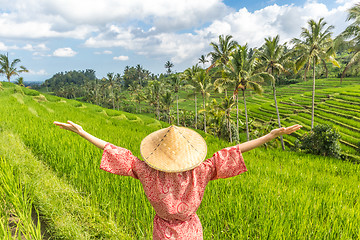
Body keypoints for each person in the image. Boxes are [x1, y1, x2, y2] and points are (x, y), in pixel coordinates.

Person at [54, 121, 302, 239]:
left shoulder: (146, 171)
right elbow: (234, 150)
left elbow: (116, 151)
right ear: (189, 154)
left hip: (163, 230)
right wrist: (269, 135)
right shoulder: (201, 170)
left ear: (156, 153)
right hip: (191, 230)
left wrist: (83, 132)